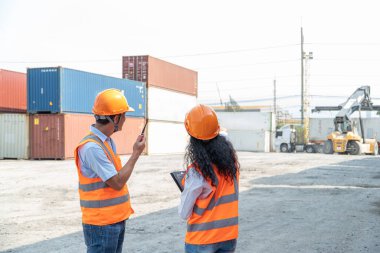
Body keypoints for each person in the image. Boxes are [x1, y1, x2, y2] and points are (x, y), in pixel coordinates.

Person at [74, 88, 146, 253]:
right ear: (115, 118)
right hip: (102, 224)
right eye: (124, 115)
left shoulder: (106, 142)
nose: (125, 119)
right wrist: (136, 153)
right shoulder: (92, 148)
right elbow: (117, 182)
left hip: (113, 220)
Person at [178, 104, 240, 253]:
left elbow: (183, 213)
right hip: (228, 237)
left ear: (192, 139)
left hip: (202, 239)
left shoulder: (196, 172)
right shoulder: (231, 161)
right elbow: (224, 136)